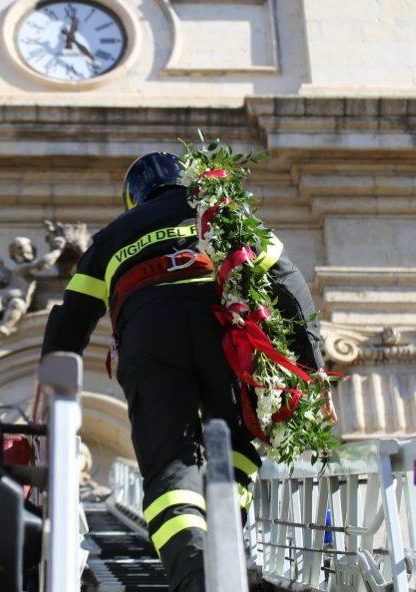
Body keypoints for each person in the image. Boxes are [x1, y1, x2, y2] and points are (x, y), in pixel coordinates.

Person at [41, 151, 324, 592]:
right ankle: (226, 549)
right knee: (236, 448)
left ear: (134, 198)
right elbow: (287, 281)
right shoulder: (222, 211)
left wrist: (53, 391)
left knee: (170, 467)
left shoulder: (110, 237)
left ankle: (193, 576)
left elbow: (71, 319)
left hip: (150, 341)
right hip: (224, 329)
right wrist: (311, 367)